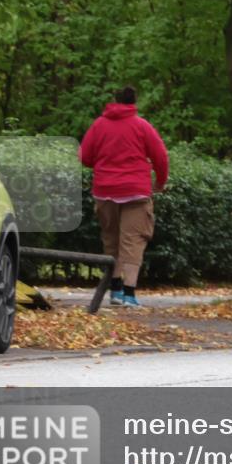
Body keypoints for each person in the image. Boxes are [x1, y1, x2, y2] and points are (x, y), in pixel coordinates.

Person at [79, 86, 169, 307]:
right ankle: (129, 294)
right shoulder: (142, 126)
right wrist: (160, 182)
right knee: (133, 240)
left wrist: (102, 165)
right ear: (134, 102)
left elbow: (85, 156)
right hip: (135, 191)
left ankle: (115, 290)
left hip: (105, 190)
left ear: (114, 101)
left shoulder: (99, 125)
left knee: (111, 240)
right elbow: (161, 156)